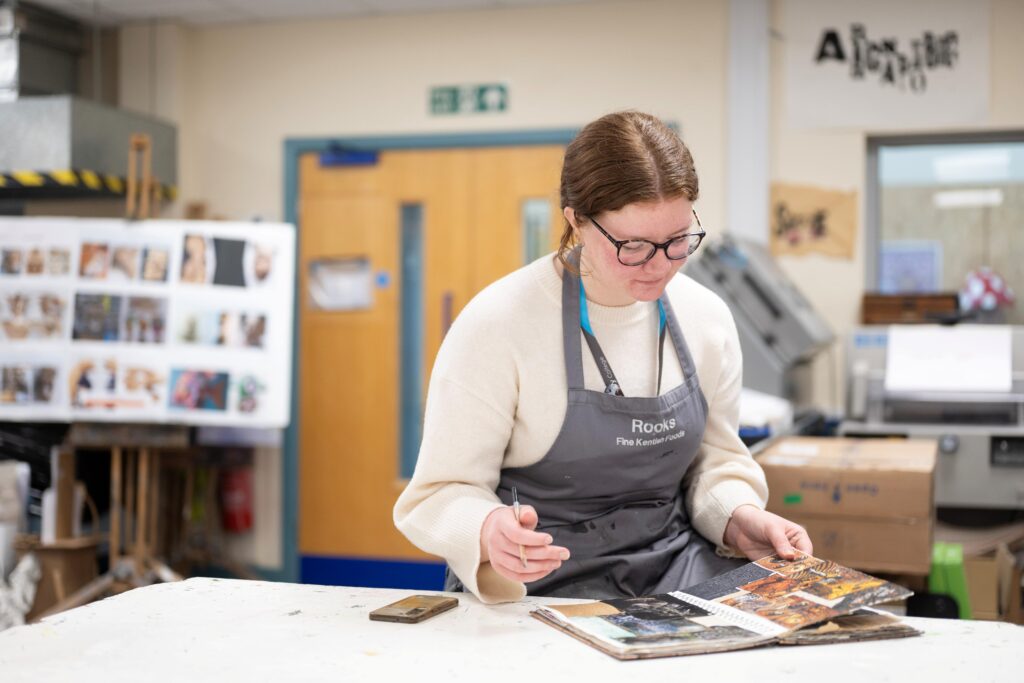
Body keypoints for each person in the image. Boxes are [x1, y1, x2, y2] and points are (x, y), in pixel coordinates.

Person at [394, 111, 811, 604]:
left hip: (676, 581)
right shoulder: (499, 324)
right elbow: (437, 493)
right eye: (633, 246)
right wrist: (487, 529)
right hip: (537, 591)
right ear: (576, 220)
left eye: (678, 241)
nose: (660, 266)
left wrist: (739, 517)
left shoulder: (707, 319)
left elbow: (716, 464)